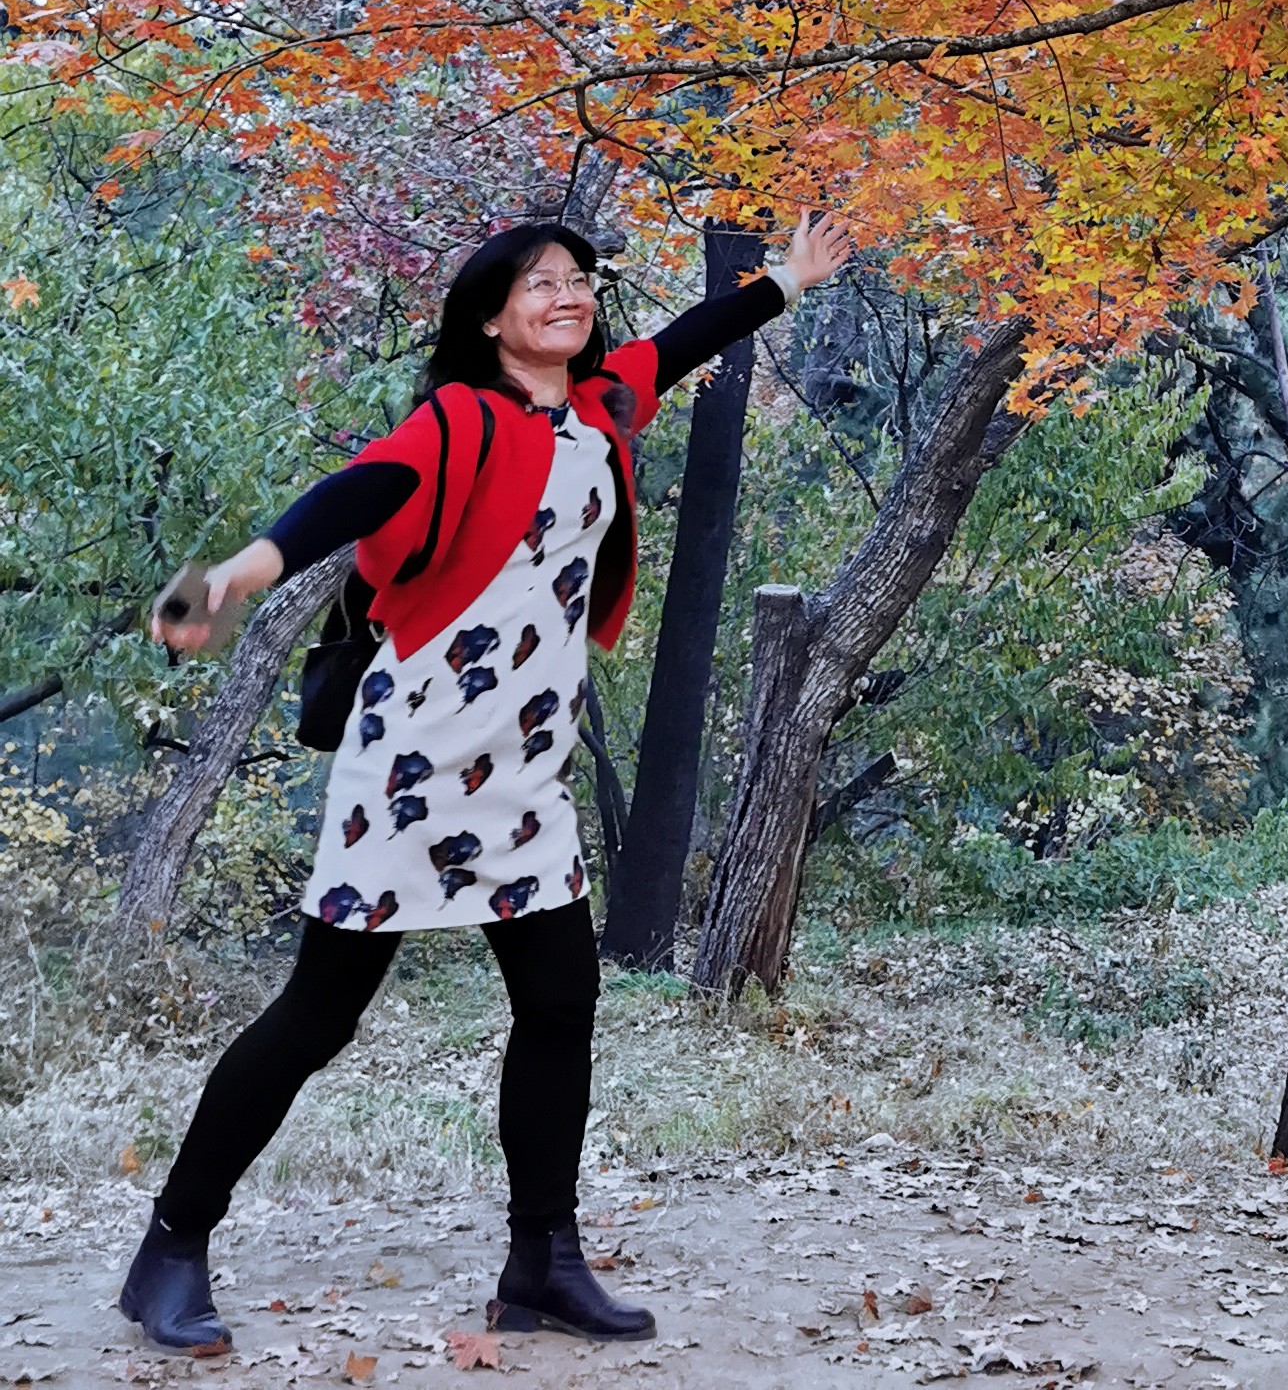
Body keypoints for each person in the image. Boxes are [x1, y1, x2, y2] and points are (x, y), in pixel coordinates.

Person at [121, 207, 853, 1359]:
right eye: (540, 283)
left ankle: (543, 1263)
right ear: (491, 316)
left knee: (563, 1002)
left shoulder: (605, 401)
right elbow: (350, 493)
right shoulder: (456, 421)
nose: (568, 295)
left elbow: (692, 337)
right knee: (319, 1016)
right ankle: (170, 1245)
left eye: (578, 279)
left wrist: (790, 283)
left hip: (525, 770)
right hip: (411, 763)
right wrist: (239, 576)